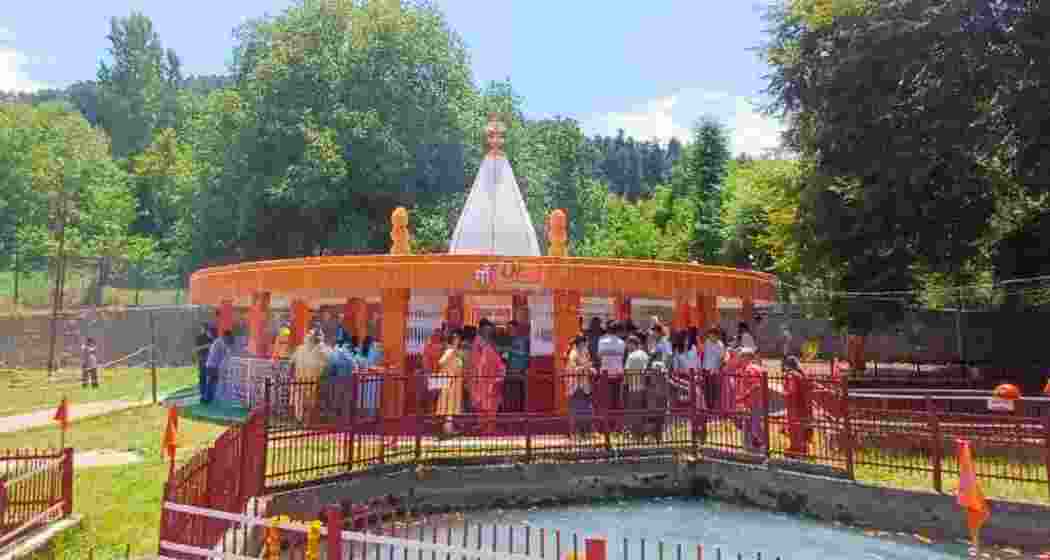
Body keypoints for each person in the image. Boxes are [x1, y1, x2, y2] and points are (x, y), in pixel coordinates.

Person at [472, 319, 506, 433]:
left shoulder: (490, 349)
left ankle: (488, 427)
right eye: (486, 331)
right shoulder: (479, 345)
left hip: (490, 381)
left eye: (489, 332)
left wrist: (498, 378)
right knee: (482, 405)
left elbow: (500, 367)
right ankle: (483, 425)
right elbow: (477, 364)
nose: (488, 333)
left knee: (490, 405)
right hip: (482, 381)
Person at [289, 329, 329, 424]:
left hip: (305, 380)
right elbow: (326, 367)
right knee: (306, 402)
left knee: (303, 402)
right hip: (309, 381)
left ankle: (302, 420)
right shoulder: (322, 350)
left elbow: (292, 364)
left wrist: (291, 376)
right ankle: (304, 421)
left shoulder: (303, 348)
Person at [733, 346, 767, 454]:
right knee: (749, 424)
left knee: (754, 426)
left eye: (741, 357)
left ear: (747, 357)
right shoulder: (756, 367)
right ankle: (750, 447)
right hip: (755, 401)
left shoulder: (750, 369)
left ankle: (761, 447)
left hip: (752, 402)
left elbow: (755, 386)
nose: (739, 359)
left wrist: (744, 396)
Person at [782, 356, 813, 458]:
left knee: (795, 430)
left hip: (794, 406)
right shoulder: (802, 374)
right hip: (803, 405)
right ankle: (800, 450)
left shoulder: (791, 375)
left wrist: (785, 393)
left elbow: (791, 390)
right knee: (801, 429)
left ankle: (797, 451)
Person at [436, 330, 465, 436]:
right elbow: (441, 362)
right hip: (450, 383)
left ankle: (449, 428)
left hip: (455, 383)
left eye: (458, 339)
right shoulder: (450, 350)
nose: (458, 341)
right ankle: (447, 429)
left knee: (451, 407)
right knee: (448, 405)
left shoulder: (457, 352)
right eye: (456, 339)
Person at [596, 321, 627, 415]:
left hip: (605, 374)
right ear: (618, 331)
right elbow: (622, 357)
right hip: (618, 374)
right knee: (616, 400)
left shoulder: (601, 341)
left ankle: (606, 421)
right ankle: (615, 422)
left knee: (605, 400)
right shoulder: (622, 343)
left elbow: (599, 356)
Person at [504, 320, 530, 412]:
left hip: (519, 371)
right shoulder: (511, 340)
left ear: (516, 329)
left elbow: (523, 353)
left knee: (518, 395)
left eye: (510, 328)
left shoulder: (522, 340)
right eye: (508, 329)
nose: (508, 331)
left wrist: (509, 350)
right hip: (511, 371)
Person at [203, 330, 234, 405]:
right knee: (211, 382)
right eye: (228, 338)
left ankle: (209, 398)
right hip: (212, 365)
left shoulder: (219, 341)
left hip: (212, 365)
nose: (229, 339)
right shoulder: (220, 342)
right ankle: (207, 398)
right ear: (226, 336)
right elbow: (227, 351)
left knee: (213, 382)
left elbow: (226, 352)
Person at [702, 327, 726, 413]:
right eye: (710, 335)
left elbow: (721, 359)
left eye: (713, 335)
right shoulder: (706, 343)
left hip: (714, 371)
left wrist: (716, 369)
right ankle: (706, 407)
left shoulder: (720, 345)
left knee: (713, 390)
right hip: (705, 369)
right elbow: (703, 355)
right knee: (706, 390)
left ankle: (712, 408)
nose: (711, 336)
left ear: (716, 336)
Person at [196, 324, 214, 396]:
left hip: (209, 358)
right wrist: (206, 346)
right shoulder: (199, 338)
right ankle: (202, 392)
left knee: (209, 375)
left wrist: (211, 338)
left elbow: (214, 345)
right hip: (202, 357)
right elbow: (197, 348)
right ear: (202, 329)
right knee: (202, 375)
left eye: (206, 329)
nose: (205, 330)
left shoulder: (210, 337)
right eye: (204, 329)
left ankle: (209, 392)